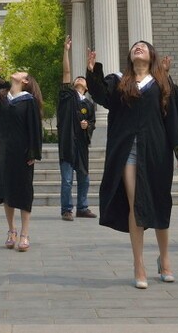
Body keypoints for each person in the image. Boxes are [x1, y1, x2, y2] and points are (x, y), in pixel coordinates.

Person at [86, 42, 178, 289]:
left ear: (151, 55)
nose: (138, 48)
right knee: (135, 203)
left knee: (159, 201)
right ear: (130, 56)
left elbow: (172, 116)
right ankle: (139, 264)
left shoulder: (161, 83)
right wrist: (92, 72)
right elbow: (102, 96)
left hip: (156, 150)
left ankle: (164, 258)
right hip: (128, 150)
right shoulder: (119, 81)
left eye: (143, 46)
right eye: (135, 46)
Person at [0, 66, 43, 252]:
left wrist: (33, 152)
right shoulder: (1, 97)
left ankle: (24, 233)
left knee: (23, 190)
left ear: (25, 81)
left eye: (22, 72)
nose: (17, 71)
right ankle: (11, 230)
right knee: (6, 190)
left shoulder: (29, 101)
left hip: (22, 152)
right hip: (3, 151)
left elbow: (35, 127)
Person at [58, 36, 97, 222]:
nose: (79, 78)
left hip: (81, 146)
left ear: (87, 87)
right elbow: (66, 72)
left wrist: (87, 125)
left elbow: (93, 123)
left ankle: (82, 207)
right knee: (67, 180)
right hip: (67, 144)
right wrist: (66, 51)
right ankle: (67, 209)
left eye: (83, 78)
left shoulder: (88, 105)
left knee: (84, 179)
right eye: (77, 78)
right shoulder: (67, 96)